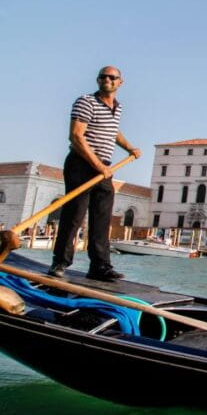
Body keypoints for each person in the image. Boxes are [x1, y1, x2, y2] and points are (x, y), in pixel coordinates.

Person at [49, 66, 140, 281]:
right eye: (103, 76)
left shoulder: (117, 107)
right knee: (74, 215)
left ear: (120, 82)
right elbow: (76, 137)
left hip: (104, 168)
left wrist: (130, 148)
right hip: (81, 164)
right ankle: (60, 262)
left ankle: (100, 266)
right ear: (98, 80)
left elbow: (113, 131)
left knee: (102, 218)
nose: (107, 79)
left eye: (112, 77)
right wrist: (99, 166)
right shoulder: (85, 101)